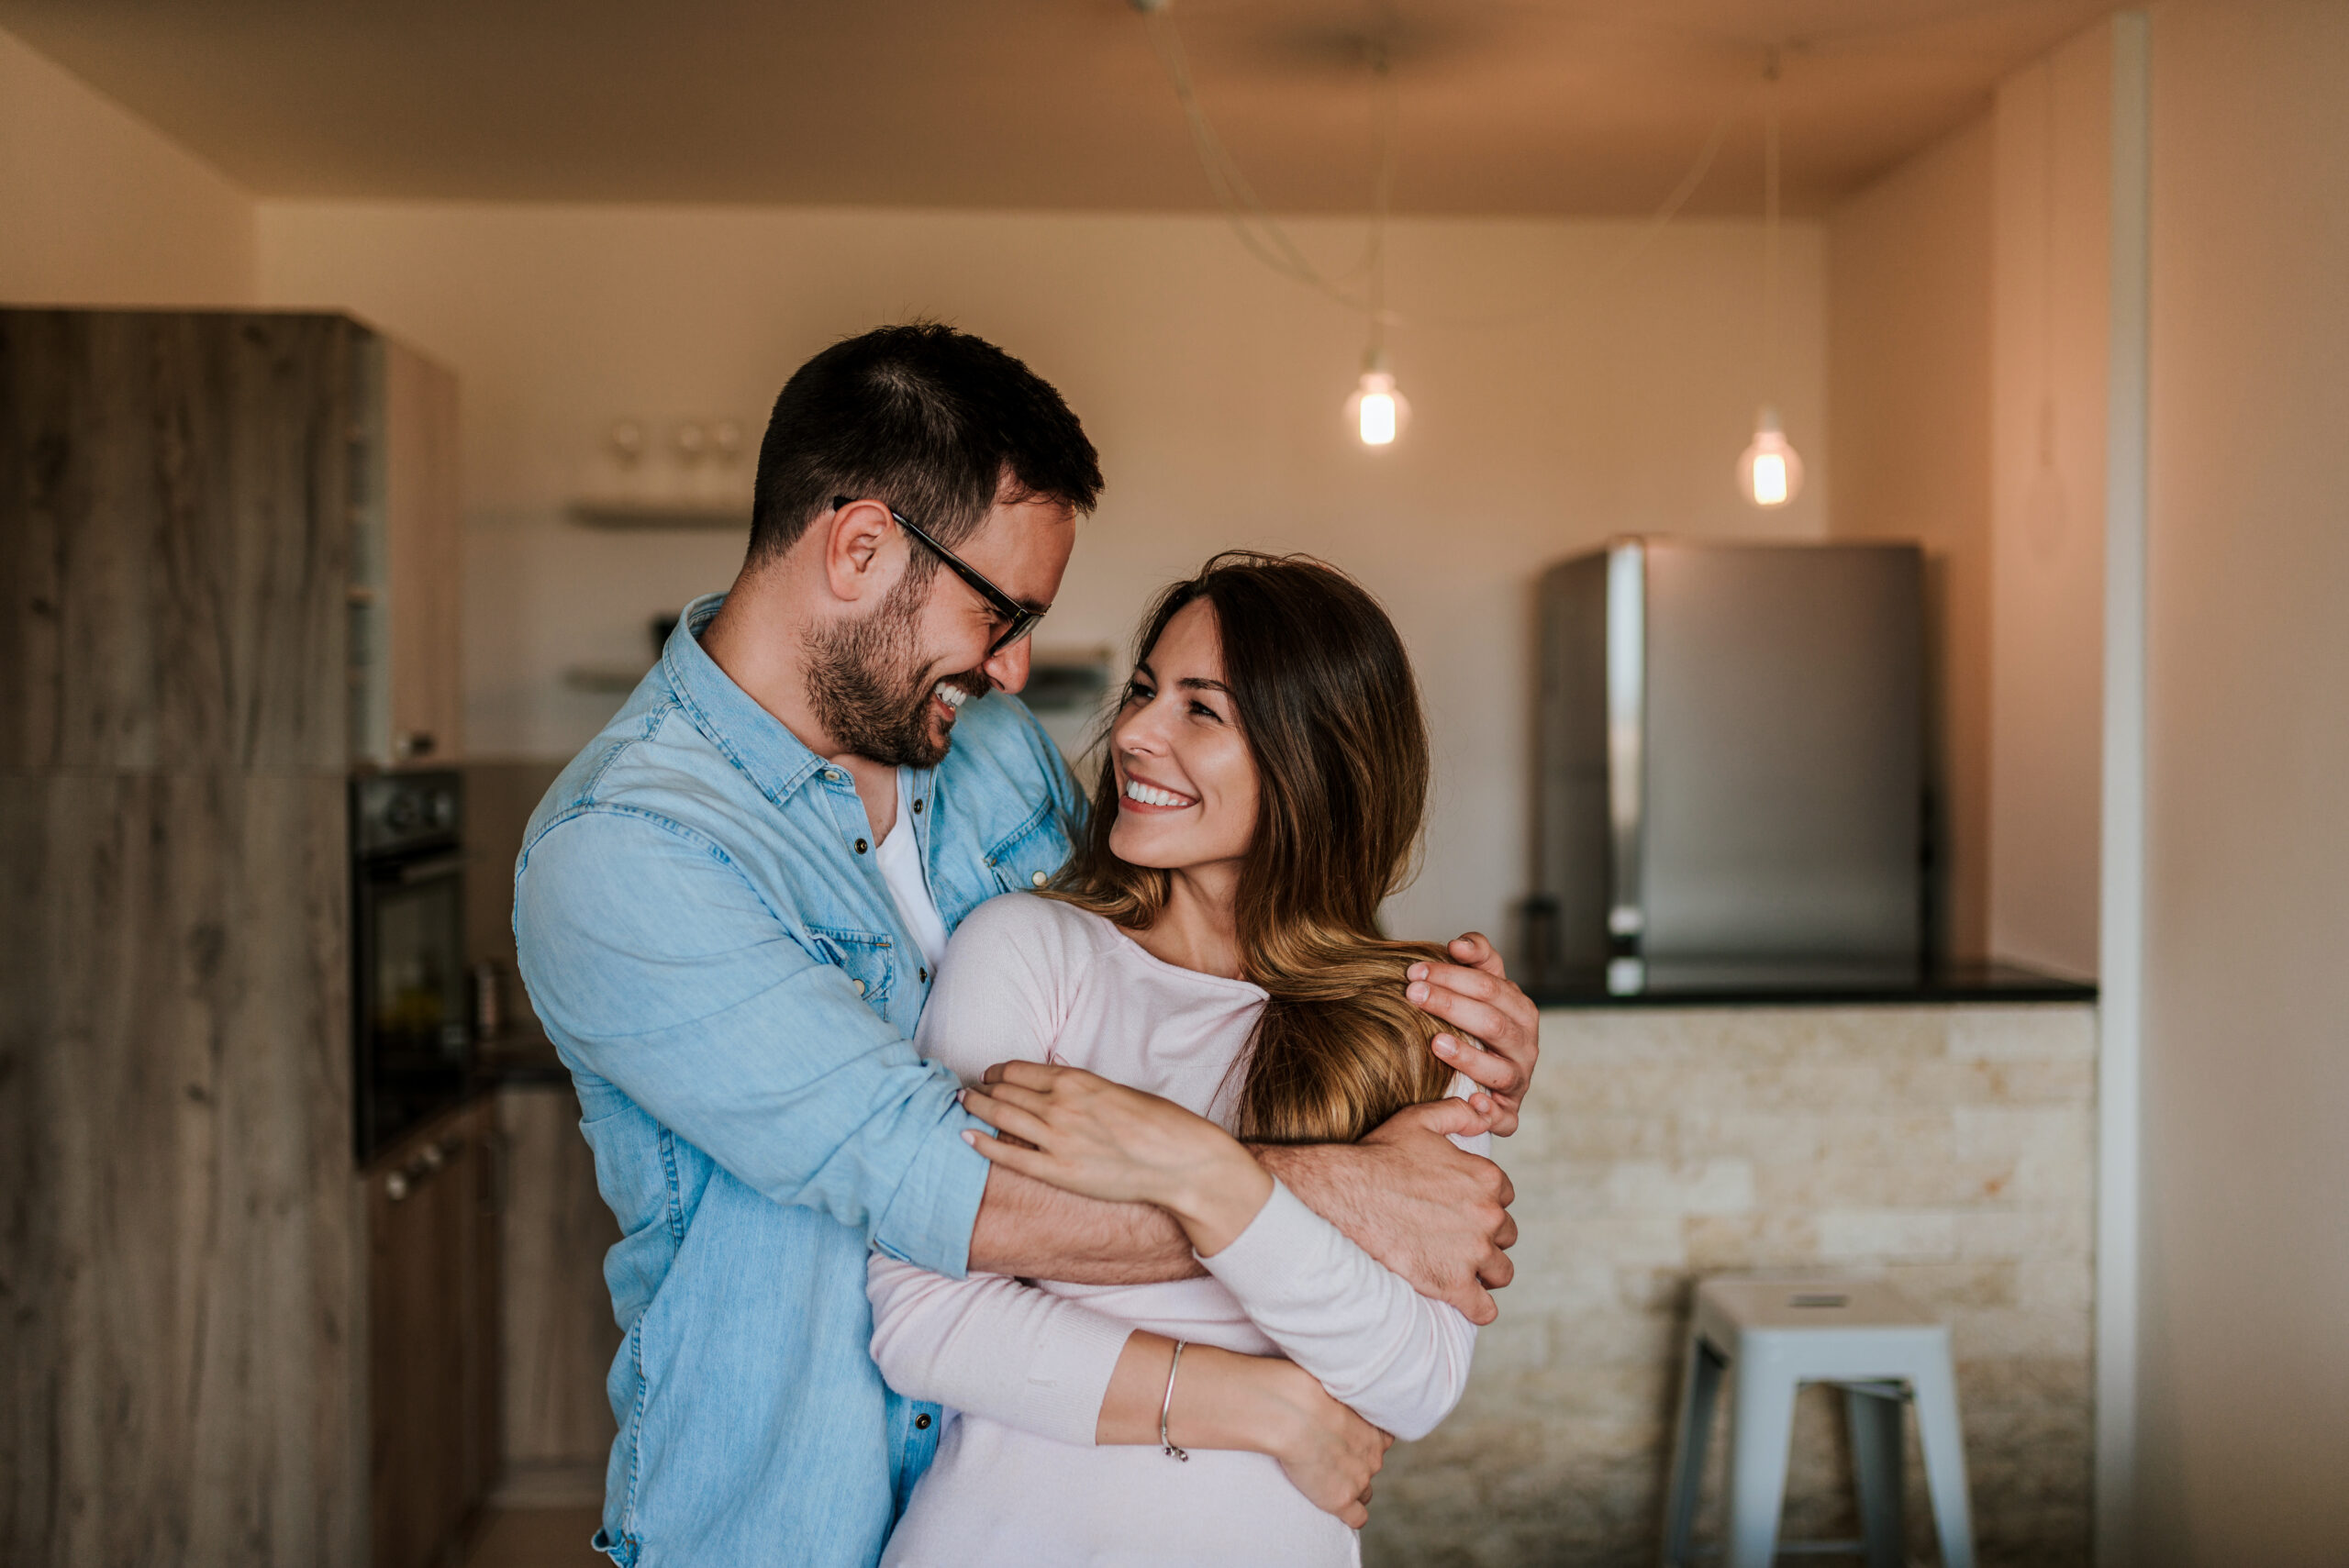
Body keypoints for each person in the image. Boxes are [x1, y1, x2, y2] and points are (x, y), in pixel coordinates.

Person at [513, 324, 1542, 1567]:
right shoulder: (627, 850)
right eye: (1001, 612)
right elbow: (945, 1190)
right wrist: (1348, 1188)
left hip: (1033, 1498)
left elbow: (1164, 977)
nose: (1015, 666)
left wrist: (1442, 1056)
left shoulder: (983, 749)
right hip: (784, 1522)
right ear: (861, 546)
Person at [869, 553, 1493, 1565]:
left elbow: (1414, 1380)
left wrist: (1195, 1165)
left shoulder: (1411, 1025)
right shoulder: (1031, 949)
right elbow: (923, 1318)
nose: (1133, 735)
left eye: (1202, 711)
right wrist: (1270, 1404)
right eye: (1145, 692)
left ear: (1315, 760)